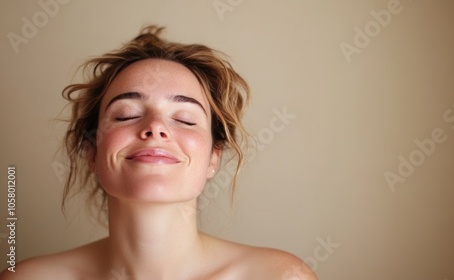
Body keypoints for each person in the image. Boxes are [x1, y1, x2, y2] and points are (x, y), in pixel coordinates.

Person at [1, 26, 317, 279]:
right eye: (126, 115)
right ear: (92, 152)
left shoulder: (279, 277)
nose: (156, 128)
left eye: (184, 119)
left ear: (213, 157)